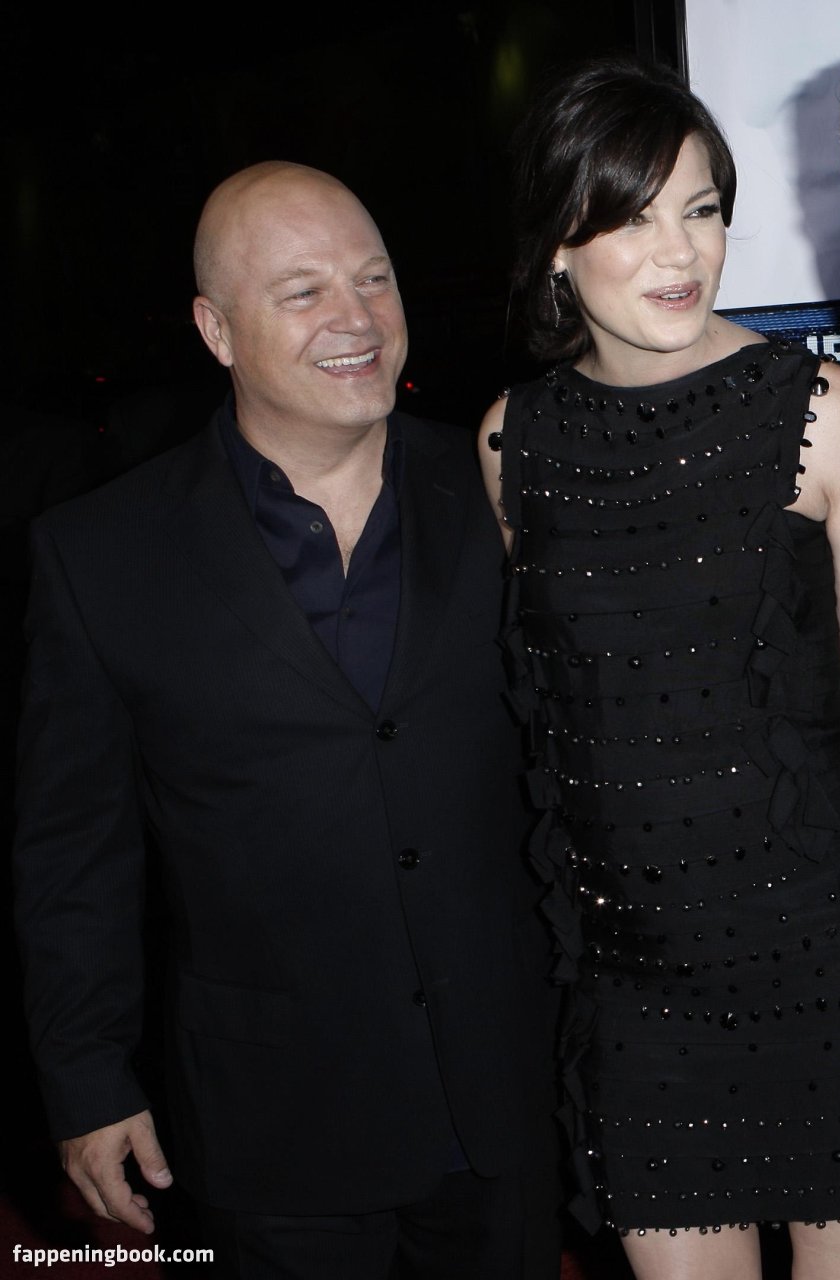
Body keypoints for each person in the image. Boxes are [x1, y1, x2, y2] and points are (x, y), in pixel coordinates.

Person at [12, 162, 559, 1277]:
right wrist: (86, 1076)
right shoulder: (99, 555)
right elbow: (74, 851)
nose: (356, 317)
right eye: (304, 291)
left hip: (508, 1094)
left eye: (374, 279)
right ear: (216, 330)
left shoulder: (506, 487)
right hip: (273, 1121)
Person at [477, 59, 840, 1280]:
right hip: (637, 984)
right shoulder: (514, 441)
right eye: (630, 217)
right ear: (558, 245)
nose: (679, 252)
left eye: (702, 209)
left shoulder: (824, 409)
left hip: (826, 957)